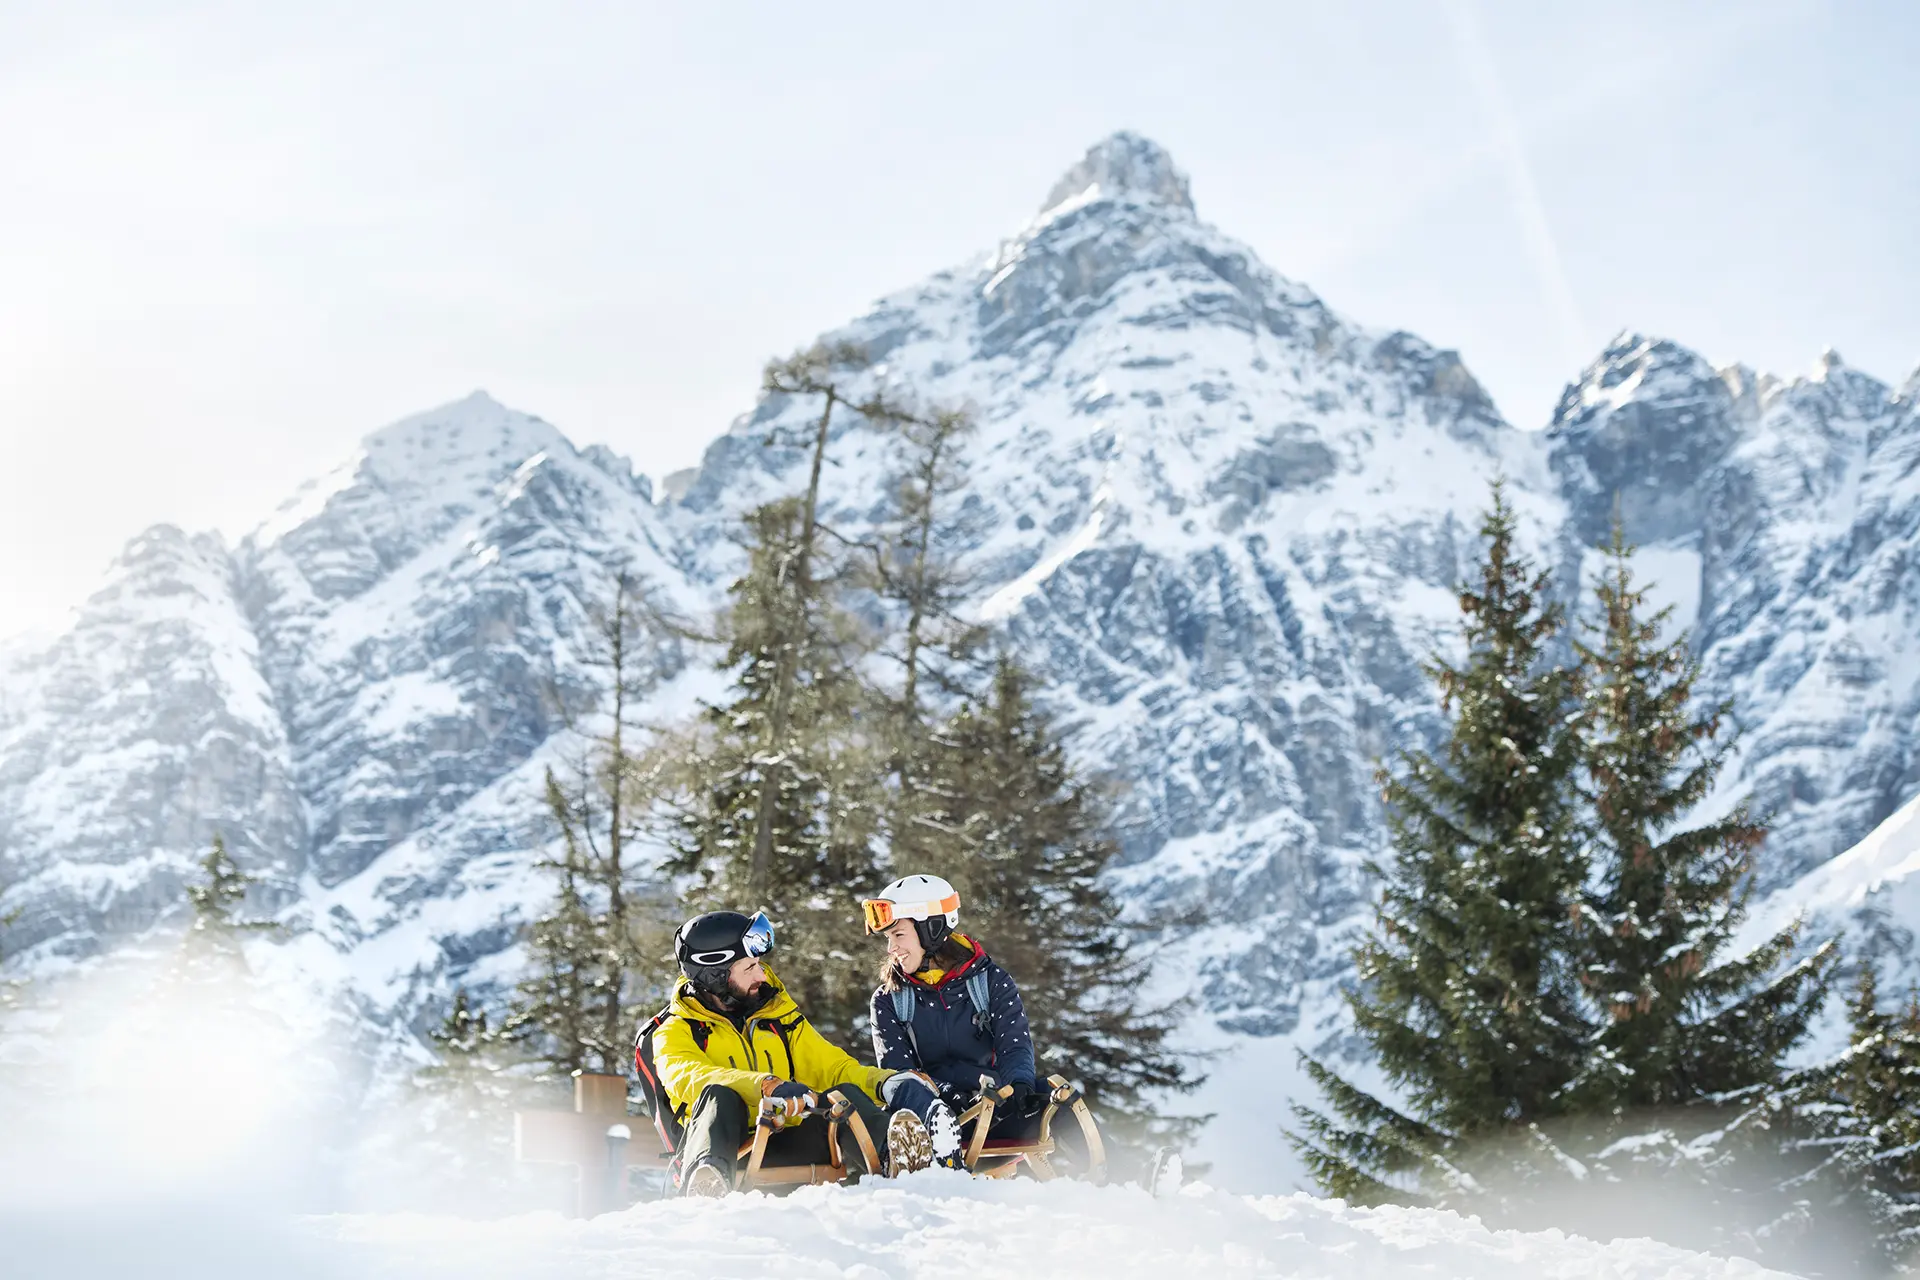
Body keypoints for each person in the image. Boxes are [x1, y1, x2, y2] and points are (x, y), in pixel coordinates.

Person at [648, 909, 938, 1196]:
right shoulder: (674, 1032)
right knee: (717, 1094)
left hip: (789, 1144)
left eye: (758, 964)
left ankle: (903, 1164)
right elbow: (690, 1078)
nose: (761, 975)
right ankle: (707, 1186)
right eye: (749, 968)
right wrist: (766, 1086)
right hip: (729, 1151)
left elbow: (833, 1067)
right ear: (715, 975)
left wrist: (885, 1083)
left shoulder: (778, 1020)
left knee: (842, 1094)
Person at [864, 874, 1041, 1153]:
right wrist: (946, 1094)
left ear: (931, 929)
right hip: (932, 1121)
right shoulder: (889, 1000)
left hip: (995, 1107)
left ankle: (1118, 1180)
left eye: (898, 935)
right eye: (888, 938)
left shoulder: (991, 982)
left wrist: (1019, 1086)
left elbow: (1014, 1046)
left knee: (1058, 1099)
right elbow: (900, 1075)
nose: (891, 948)